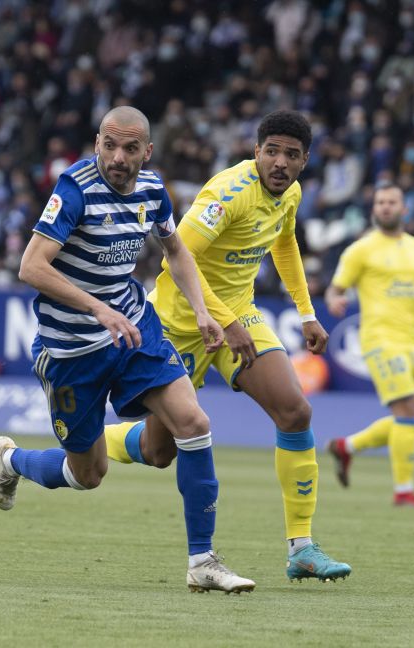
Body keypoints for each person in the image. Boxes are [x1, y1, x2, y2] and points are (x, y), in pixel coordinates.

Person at [0, 106, 254, 594]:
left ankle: (203, 561)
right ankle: (12, 461)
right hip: (70, 350)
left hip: (133, 330)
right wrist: (97, 310)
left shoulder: (153, 191)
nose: (118, 156)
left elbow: (176, 250)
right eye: (109, 145)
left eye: (130, 148)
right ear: (96, 144)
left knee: (192, 426)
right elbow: (32, 266)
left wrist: (201, 310)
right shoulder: (75, 189)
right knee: (88, 474)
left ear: (146, 152)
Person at [102, 110, 351, 583]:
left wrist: (306, 312)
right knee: (160, 452)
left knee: (295, 412)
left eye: (291, 155)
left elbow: (285, 242)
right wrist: (224, 319)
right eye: (272, 151)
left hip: (236, 315)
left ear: (304, 161)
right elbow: (179, 259)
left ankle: (302, 547)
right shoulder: (226, 194)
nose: (280, 163)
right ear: (255, 152)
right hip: (178, 322)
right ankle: (93, 442)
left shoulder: (290, 194)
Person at [325, 183, 414, 507]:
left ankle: (346, 447)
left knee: (413, 424)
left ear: (404, 209)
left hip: (413, 342)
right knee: (406, 413)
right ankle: (403, 491)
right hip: (380, 339)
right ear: (374, 209)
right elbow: (335, 288)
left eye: (391, 202)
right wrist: (335, 300)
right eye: (379, 202)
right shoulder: (361, 249)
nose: (384, 207)